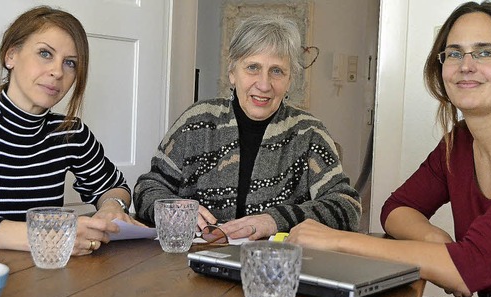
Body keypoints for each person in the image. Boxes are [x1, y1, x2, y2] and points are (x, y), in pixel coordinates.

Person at [287, 1, 491, 297]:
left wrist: (338, 241)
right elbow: (396, 208)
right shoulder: (459, 143)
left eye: (485, 52)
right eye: (455, 53)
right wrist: (437, 242)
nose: (466, 65)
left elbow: (471, 267)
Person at [0, 6, 144, 256]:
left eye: (70, 63)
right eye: (45, 53)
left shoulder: (70, 133)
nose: (58, 72)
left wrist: (111, 207)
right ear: (11, 56)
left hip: (46, 278)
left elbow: (114, 186)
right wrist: (41, 236)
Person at [134, 15, 360, 240]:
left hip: (275, 266)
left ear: (290, 79)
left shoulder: (309, 134)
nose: (263, 84)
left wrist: (275, 220)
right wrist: (172, 208)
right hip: (195, 261)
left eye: (277, 71)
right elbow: (148, 187)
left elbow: (347, 207)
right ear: (232, 73)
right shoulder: (197, 122)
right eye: (252, 67)